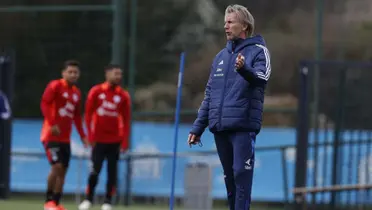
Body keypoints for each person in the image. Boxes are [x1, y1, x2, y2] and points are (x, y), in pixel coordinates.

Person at [188, 4, 271, 210]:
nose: (225, 26)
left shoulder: (258, 51)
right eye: (225, 22)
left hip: (243, 125)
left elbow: (262, 77)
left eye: (230, 22)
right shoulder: (219, 58)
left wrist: (245, 70)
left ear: (244, 25)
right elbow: (209, 95)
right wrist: (198, 128)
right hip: (220, 127)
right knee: (230, 179)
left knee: (241, 174)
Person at [78, 64, 131, 210]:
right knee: (95, 170)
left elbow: (126, 120)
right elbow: (88, 114)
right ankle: (88, 198)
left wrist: (124, 141)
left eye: (120, 74)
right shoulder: (96, 91)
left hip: (115, 140)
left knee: (112, 172)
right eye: (115, 74)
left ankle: (108, 201)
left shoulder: (123, 95)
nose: (118, 77)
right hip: (98, 139)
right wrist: (90, 135)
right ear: (107, 74)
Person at [40, 60, 88, 210]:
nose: (73, 75)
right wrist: (52, 123)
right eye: (70, 72)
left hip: (65, 138)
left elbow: (76, 117)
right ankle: (48, 201)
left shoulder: (77, 93)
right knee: (57, 167)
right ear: (63, 73)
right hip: (50, 135)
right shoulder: (55, 86)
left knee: (64, 171)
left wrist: (83, 135)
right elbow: (45, 103)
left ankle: (56, 202)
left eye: (76, 72)